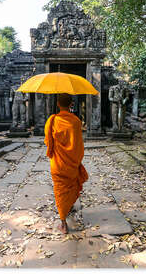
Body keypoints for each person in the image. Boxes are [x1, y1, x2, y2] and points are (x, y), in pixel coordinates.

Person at [44, 93, 89, 234]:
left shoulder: (52, 120)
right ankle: (66, 210)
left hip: (57, 164)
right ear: (71, 105)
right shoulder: (76, 121)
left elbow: (47, 141)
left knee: (59, 191)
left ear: (58, 104)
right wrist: (76, 159)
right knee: (69, 187)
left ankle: (63, 222)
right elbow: (78, 146)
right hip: (71, 163)